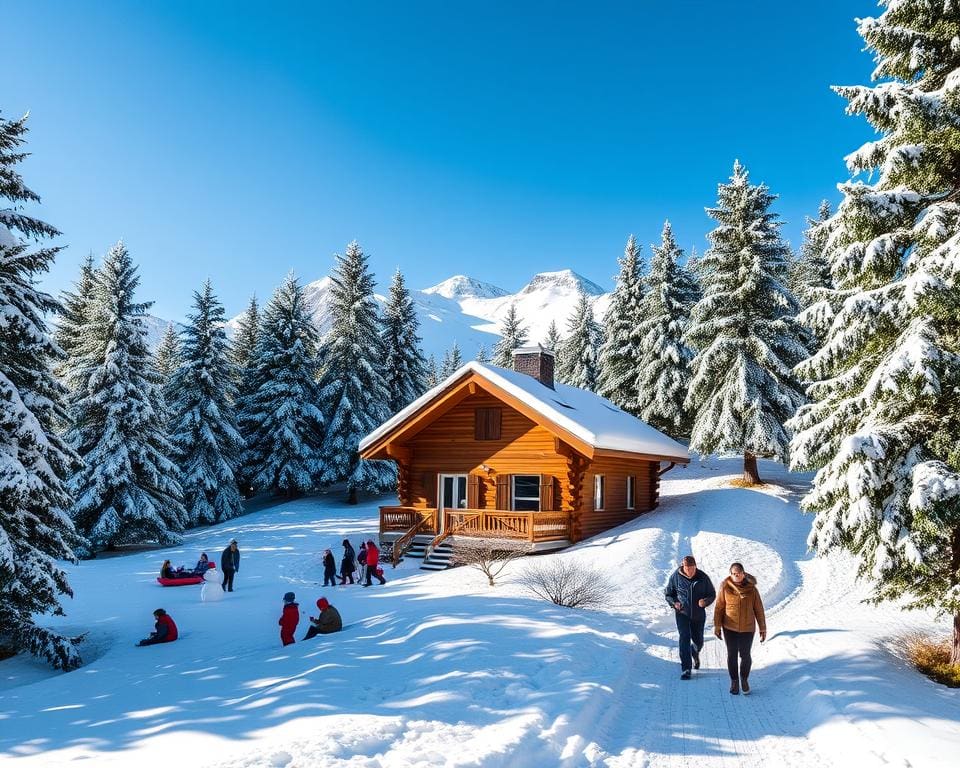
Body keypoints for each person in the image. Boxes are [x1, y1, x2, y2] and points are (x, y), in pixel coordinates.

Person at [714, 562, 767, 695]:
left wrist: (762, 628)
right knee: (732, 655)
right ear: (730, 574)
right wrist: (717, 625)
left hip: (747, 628)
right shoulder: (725, 588)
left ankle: (744, 679)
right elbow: (719, 607)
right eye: (734, 574)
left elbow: (759, 609)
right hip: (729, 627)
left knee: (745, 655)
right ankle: (734, 681)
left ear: (743, 574)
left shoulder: (752, 589)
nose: (736, 576)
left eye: (738, 573)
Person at [664, 554, 716, 679]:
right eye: (687, 569)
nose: (690, 571)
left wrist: (705, 601)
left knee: (699, 642)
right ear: (683, 566)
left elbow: (712, 594)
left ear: (695, 566)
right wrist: (674, 603)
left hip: (698, 615)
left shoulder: (703, 577)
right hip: (682, 614)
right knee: (684, 638)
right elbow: (668, 594)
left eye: (692, 568)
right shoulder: (675, 577)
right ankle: (686, 669)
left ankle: (694, 651)